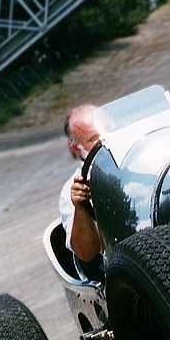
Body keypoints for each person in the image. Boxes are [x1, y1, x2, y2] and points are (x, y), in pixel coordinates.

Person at [59, 104, 105, 263]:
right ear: (76, 148)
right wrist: (81, 206)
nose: (105, 140)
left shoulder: (141, 155)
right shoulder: (73, 189)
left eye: (109, 130)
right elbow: (86, 253)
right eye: (95, 139)